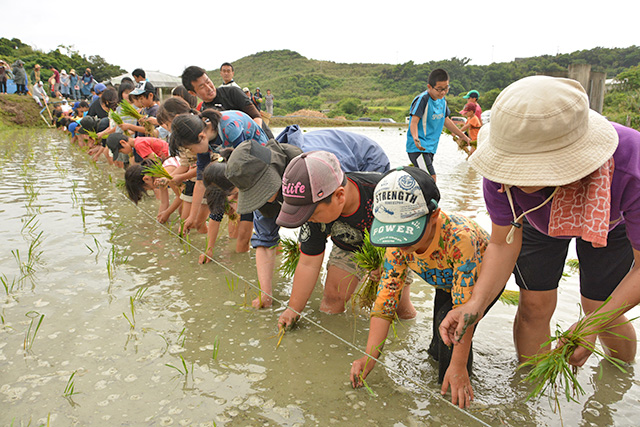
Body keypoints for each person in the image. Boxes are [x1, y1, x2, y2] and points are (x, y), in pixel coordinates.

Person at [439, 75, 640, 370]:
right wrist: (475, 304)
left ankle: (618, 379)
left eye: (532, 170)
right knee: (534, 305)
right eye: (514, 168)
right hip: (536, 222)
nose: (519, 179)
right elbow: (501, 243)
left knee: (597, 307)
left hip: (609, 222)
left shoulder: (630, 167)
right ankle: (533, 393)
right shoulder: (501, 174)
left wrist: (591, 325)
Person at [349, 166, 491, 409]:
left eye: (407, 234)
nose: (400, 245)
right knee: (437, 346)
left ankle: (453, 406)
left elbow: (465, 314)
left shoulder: (461, 239)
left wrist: (457, 367)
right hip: (444, 279)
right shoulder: (397, 245)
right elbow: (386, 300)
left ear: (433, 215)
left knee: (450, 346)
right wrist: (371, 356)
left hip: (480, 282)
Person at [224, 129, 390, 309]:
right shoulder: (266, 199)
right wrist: (267, 294)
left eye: (262, 191)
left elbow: (343, 198)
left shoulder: (316, 168)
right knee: (314, 238)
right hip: (333, 212)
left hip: (364, 165)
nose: (261, 198)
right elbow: (265, 240)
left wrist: (377, 259)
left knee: (376, 268)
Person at [274, 151, 398, 327]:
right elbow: (308, 263)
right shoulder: (313, 213)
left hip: (395, 246)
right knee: (331, 301)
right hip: (348, 245)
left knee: (397, 308)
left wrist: (386, 262)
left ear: (339, 196)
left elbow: (413, 240)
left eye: (312, 214)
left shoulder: (384, 192)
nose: (309, 220)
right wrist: (293, 309)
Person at [406, 68, 470, 181]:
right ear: (429, 87)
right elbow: (414, 122)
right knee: (431, 178)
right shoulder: (422, 100)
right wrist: (416, 138)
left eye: (446, 89)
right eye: (439, 89)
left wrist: (463, 136)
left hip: (431, 147)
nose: (443, 92)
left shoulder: (442, 100)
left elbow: (446, 121)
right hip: (418, 148)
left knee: (423, 181)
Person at [180, 66, 270, 137]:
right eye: (202, 87)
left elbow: (256, 117)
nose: (209, 88)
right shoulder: (205, 111)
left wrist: (253, 140)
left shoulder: (232, 92)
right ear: (192, 93)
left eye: (208, 82)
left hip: (261, 140)